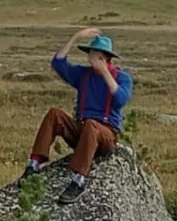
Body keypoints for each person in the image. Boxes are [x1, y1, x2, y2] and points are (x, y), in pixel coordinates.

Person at [20, 27, 133, 205]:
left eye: (94, 55)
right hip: (82, 131)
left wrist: (104, 72)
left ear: (105, 57)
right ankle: (33, 165)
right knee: (54, 114)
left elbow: (121, 99)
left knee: (91, 125)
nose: (90, 58)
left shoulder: (122, 78)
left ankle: (78, 180)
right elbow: (58, 63)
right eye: (90, 54)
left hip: (105, 135)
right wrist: (75, 38)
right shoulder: (83, 74)